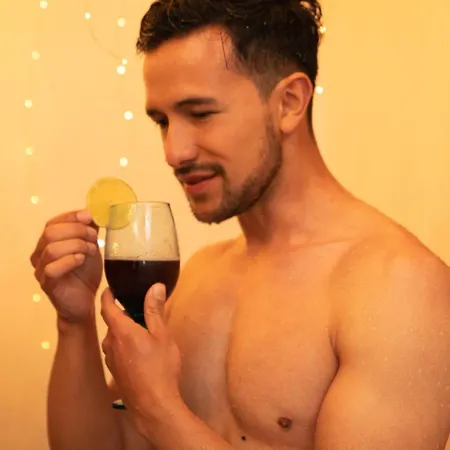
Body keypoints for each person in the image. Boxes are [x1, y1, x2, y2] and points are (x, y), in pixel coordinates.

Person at [30, 1, 450, 449]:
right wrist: (73, 323)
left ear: (289, 103)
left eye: (200, 113)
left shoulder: (399, 287)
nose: (174, 151)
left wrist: (159, 406)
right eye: (163, 121)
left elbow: (158, 418)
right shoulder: (198, 276)